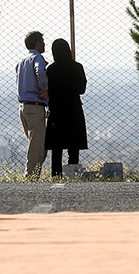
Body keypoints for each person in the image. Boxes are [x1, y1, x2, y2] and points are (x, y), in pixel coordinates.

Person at [44, 38, 88, 177]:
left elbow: (47, 89)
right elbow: (82, 89)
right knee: (73, 146)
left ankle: (56, 175)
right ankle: (72, 175)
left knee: (56, 148)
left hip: (56, 111)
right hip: (73, 109)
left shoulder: (51, 69)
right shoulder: (77, 67)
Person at [16, 31, 49, 179]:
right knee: (37, 147)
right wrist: (44, 89)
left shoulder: (21, 61)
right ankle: (30, 177)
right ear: (37, 43)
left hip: (23, 107)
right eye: (42, 41)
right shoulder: (38, 58)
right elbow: (40, 72)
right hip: (35, 106)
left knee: (36, 144)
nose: (44, 44)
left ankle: (33, 175)